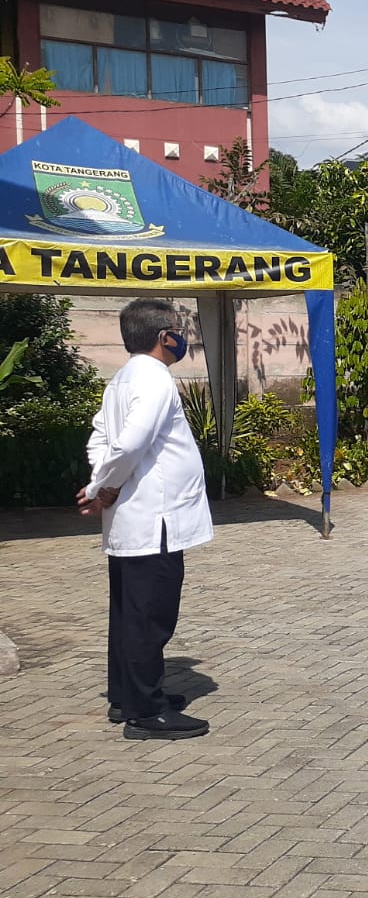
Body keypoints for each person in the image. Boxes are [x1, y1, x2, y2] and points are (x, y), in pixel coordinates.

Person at [77, 299, 213, 741]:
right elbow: (132, 443)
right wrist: (105, 487)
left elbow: (100, 438)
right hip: (156, 518)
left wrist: (102, 482)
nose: (182, 337)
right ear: (164, 337)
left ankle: (127, 695)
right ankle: (146, 712)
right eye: (178, 330)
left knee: (129, 613)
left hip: (134, 518)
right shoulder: (154, 378)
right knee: (150, 617)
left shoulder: (122, 378)